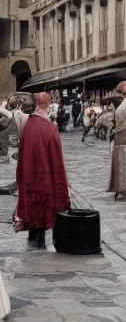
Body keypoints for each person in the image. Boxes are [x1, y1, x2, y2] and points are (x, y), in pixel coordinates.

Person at [14, 92, 71, 249]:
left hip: (29, 175)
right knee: (44, 205)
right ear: (49, 104)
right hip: (45, 176)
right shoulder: (50, 129)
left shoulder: (29, 126)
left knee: (33, 203)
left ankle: (32, 235)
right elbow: (57, 160)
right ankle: (40, 239)